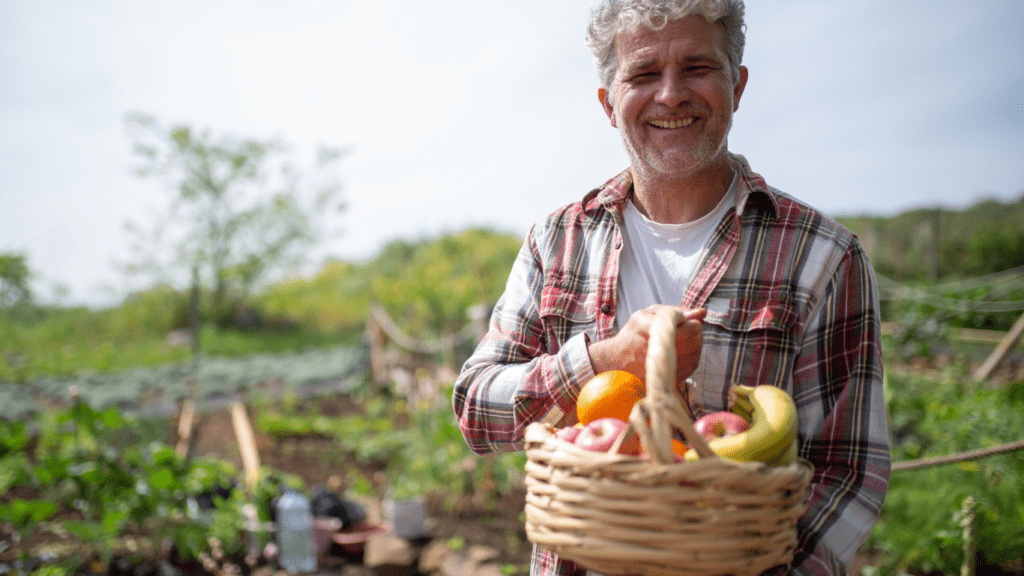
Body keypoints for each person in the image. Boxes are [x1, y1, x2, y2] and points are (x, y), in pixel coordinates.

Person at [452, 0, 891, 574]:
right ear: (610, 104)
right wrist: (602, 361)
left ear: (738, 86)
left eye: (697, 68)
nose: (671, 94)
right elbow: (476, 409)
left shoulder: (822, 257)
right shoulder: (555, 241)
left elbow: (848, 469)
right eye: (643, 74)